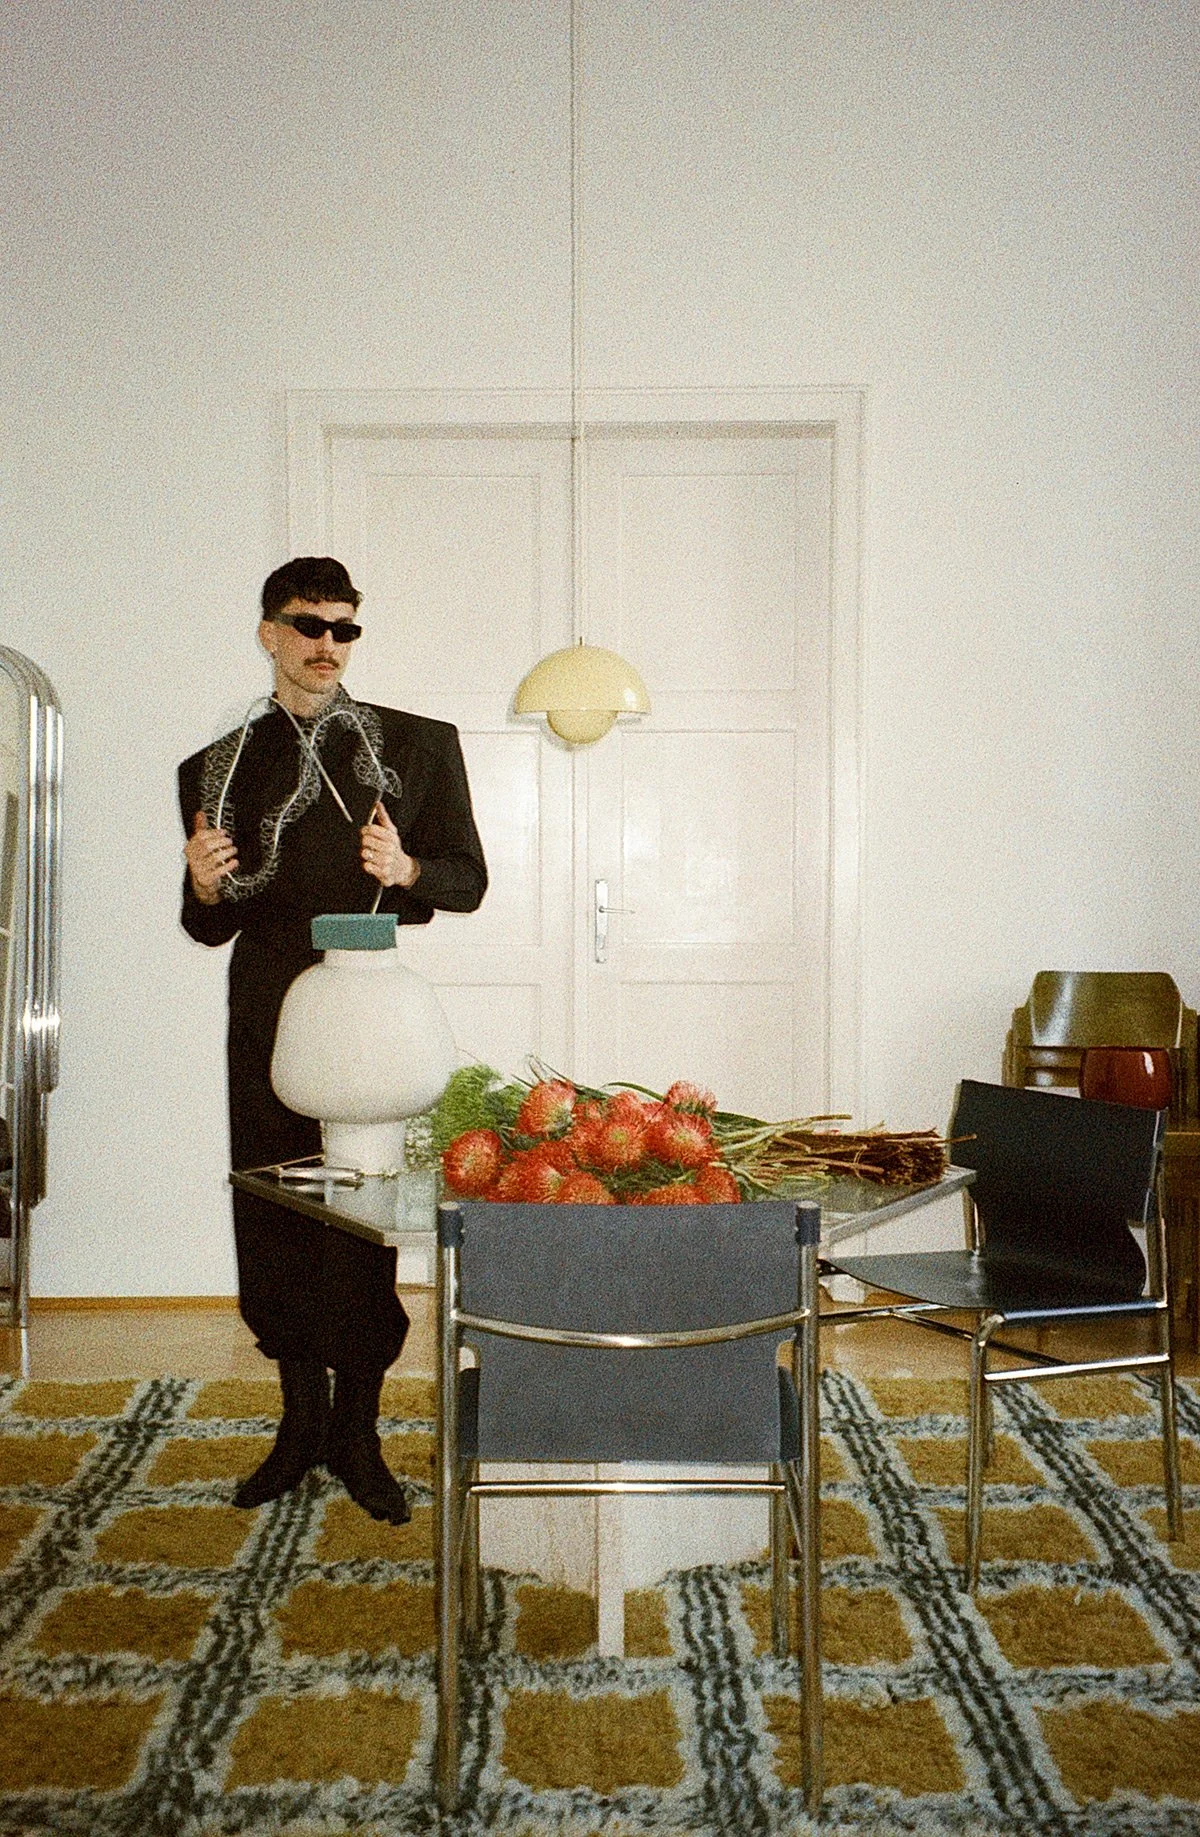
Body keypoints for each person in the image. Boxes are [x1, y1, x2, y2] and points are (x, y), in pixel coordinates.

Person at [177, 556, 487, 1521]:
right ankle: (297, 1424)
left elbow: (468, 880)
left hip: (365, 998)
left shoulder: (421, 747)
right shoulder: (212, 768)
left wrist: (408, 865)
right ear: (269, 631)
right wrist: (200, 883)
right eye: (308, 625)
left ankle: (359, 1432)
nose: (326, 645)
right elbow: (206, 926)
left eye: (344, 628)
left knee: (359, 1204)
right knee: (272, 1204)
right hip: (268, 1002)